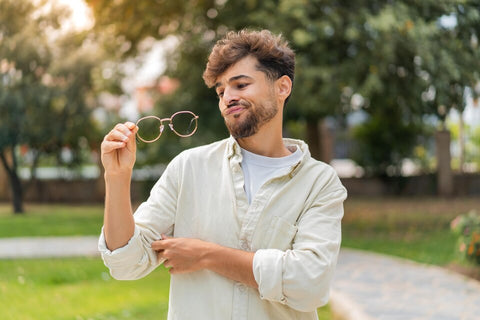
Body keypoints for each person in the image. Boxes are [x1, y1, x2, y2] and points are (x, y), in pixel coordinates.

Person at [99, 29, 347, 320]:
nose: (228, 97)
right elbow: (126, 263)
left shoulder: (319, 183)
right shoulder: (188, 167)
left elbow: (310, 283)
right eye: (220, 91)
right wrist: (116, 177)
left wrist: (207, 255)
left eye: (240, 85)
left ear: (282, 88)